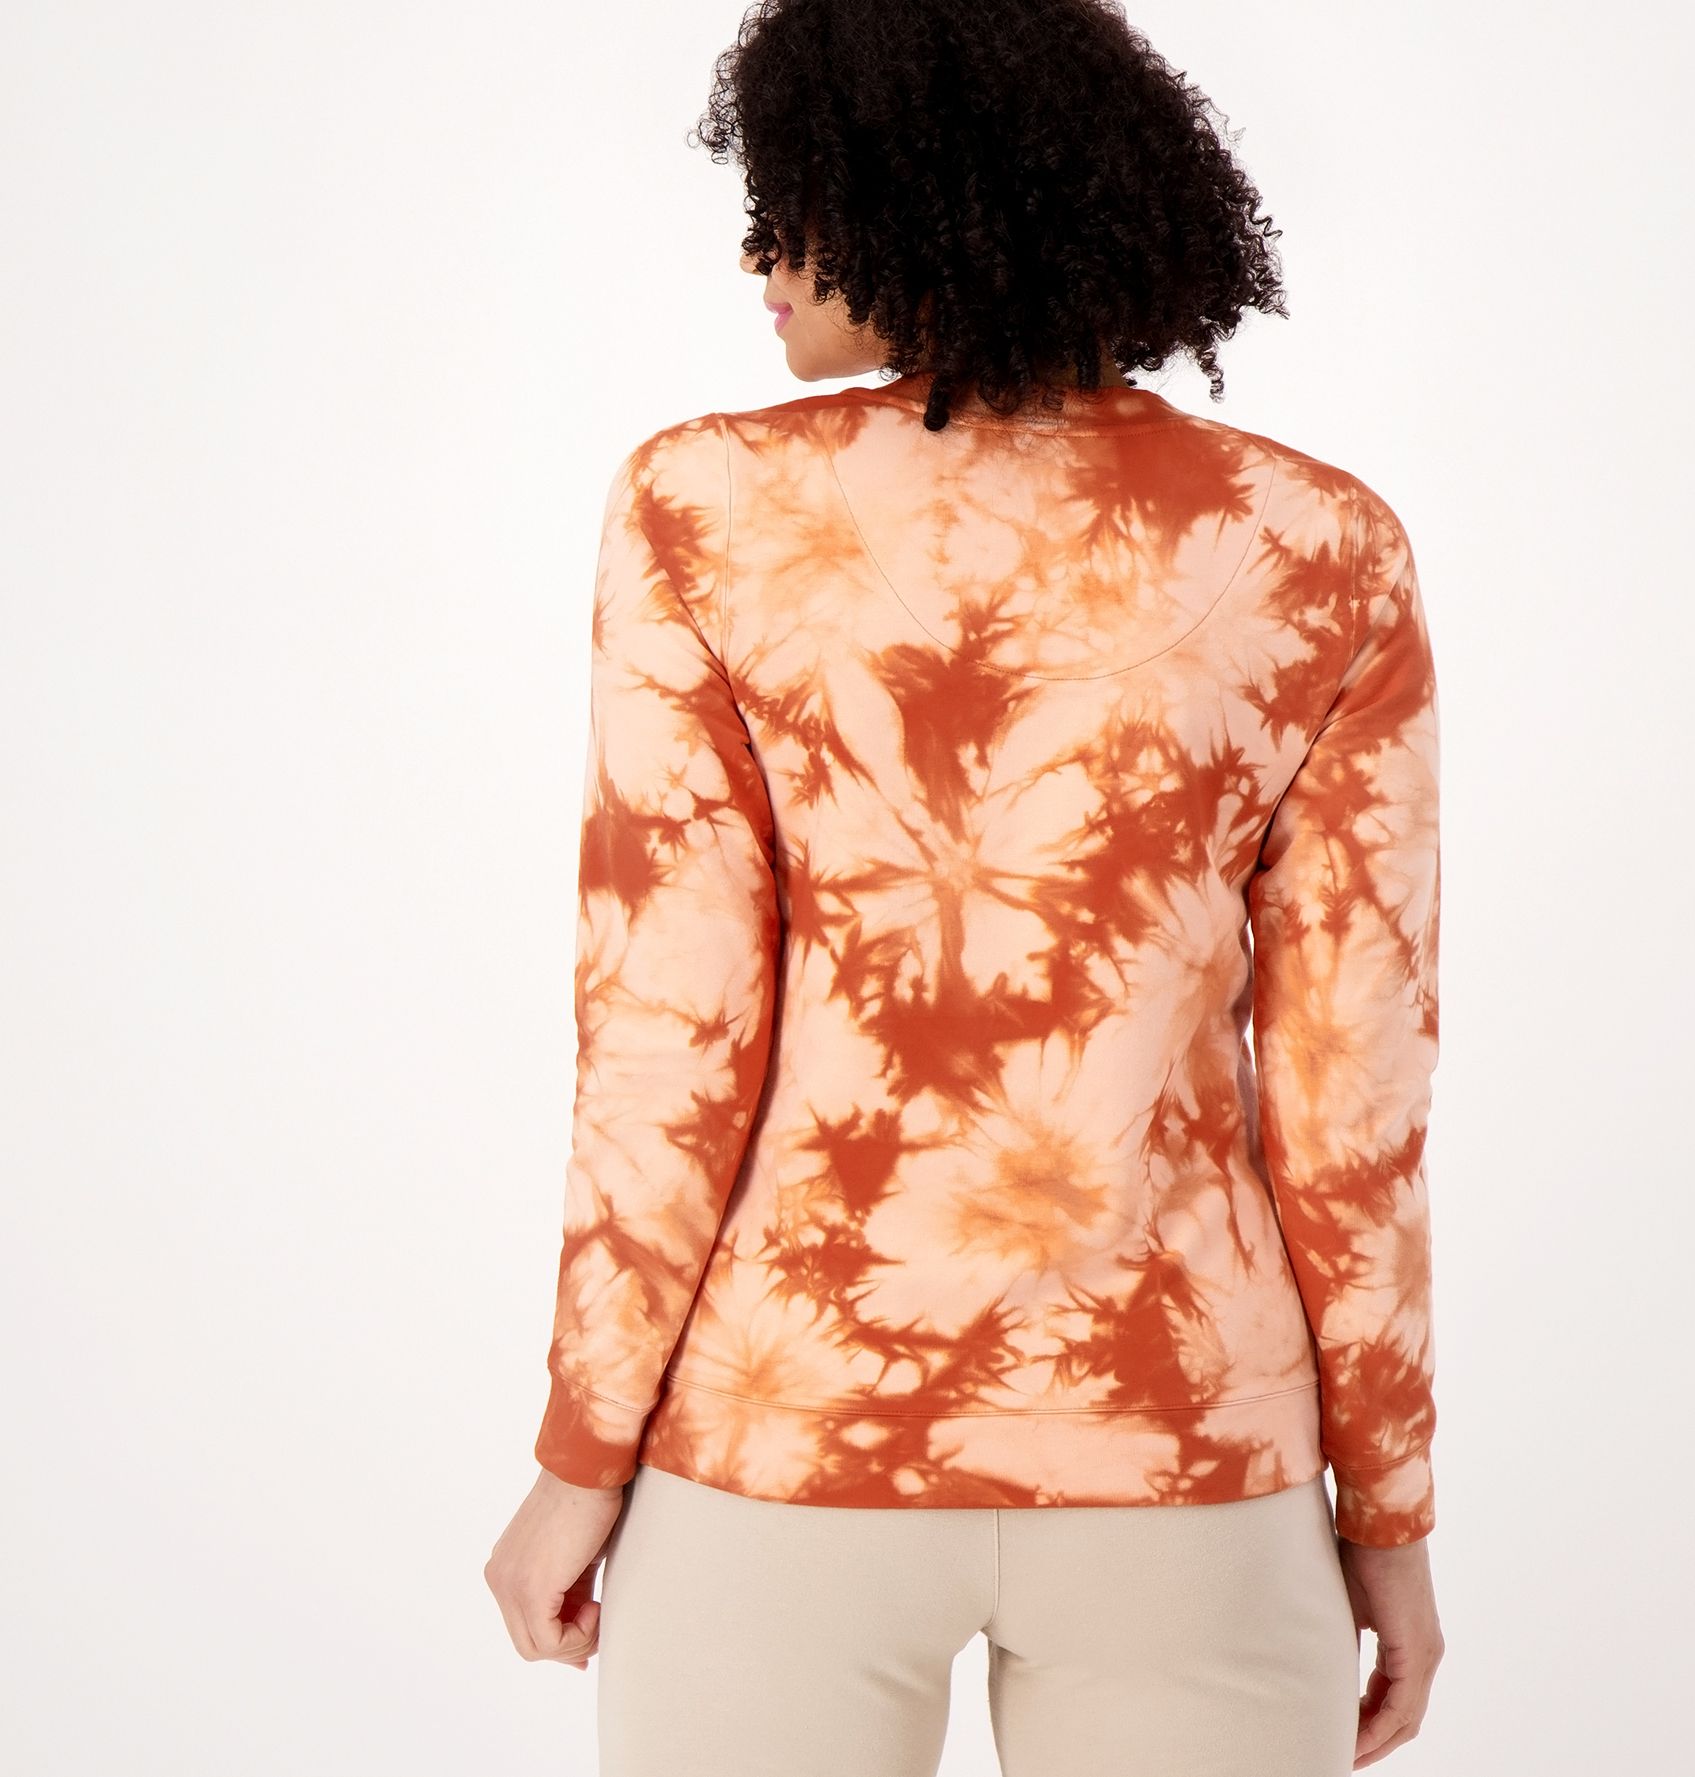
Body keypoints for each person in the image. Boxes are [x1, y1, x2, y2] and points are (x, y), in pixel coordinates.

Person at [485, 2, 1446, 1771]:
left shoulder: (703, 510)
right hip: (1192, 1465)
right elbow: (1351, 1098)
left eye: (795, 198)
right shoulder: (1320, 547)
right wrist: (1387, 1508)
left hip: (784, 1447)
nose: (760, 255)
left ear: (922, 194)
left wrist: (578, 1458)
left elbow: (666, 1039)